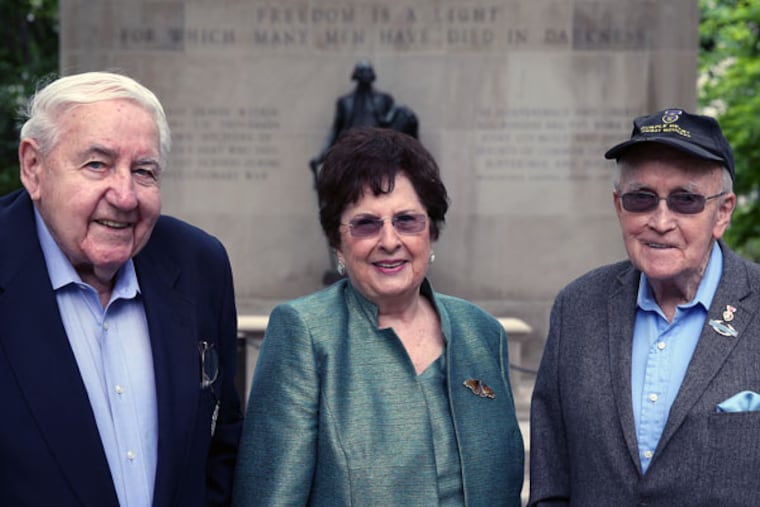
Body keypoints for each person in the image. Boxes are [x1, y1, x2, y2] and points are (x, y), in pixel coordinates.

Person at [234, 127, 524, 506]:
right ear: (337, 242)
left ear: (431, 233)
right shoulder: (304, 334)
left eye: (407, 220)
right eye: (367, 223)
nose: (389, 241)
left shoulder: (481, 333)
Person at [0, 71, 242, 506]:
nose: (126, 196)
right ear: (33, 167)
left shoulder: (200, 265)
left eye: (144, 171)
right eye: (98, 164)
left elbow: (222, 446)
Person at [529, 108, 760, 506]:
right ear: (619, 205)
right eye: (642, 198)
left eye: (685, 200)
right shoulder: (577, 308)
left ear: (722, 212)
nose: (660, 220)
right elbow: (552, 482)